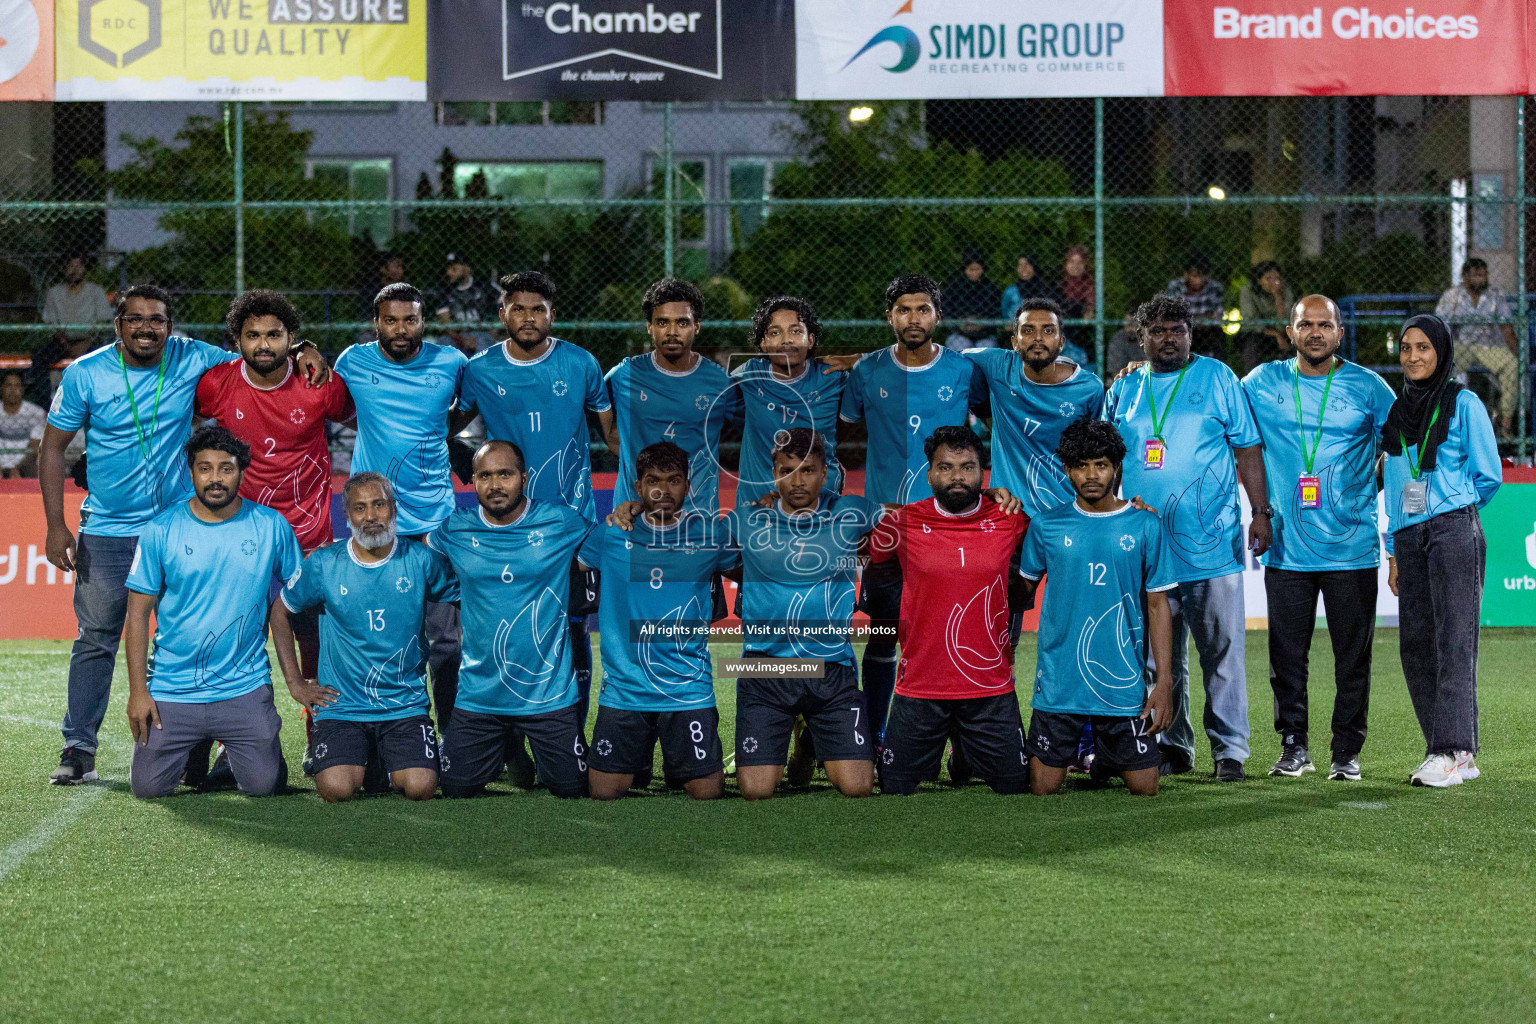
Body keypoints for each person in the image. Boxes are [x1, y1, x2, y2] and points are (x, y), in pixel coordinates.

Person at [39, 284, 328, 785]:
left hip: (180, 525)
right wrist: (55, 524)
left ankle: (216, 743)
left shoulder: (194, 357)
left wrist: (303, 348)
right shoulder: (86, 373)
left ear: (171, 327)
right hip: (107, 528)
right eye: (135, 319)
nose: (146, 327)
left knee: (205, 631)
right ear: (118, 325)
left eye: (157, 320)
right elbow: (51, 449)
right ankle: (78, 744)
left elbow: (258, 350)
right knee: (97, 637)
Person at [1102, 293, 1270, 782]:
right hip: (1146, 547)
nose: (1168, 338)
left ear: (1191, 334)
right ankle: (1172, 744)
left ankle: (1230, 751)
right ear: (1141, 337)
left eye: (1177, 329)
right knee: (1158, 656)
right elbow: (1107, 461)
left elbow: (1248, 448)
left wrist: (1259, 512)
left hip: (1210, 542)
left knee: (1222, 650)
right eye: (1157, 330)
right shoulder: (1126, 387)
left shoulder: (1218, 377)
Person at [1240, 296, 1397, 782]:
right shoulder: (1262, 382)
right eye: (1305, 324)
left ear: (1339, 333)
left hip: (1351, 548)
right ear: (1289, 332)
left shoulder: (1369, 387)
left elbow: (1402, 446)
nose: (1314, 332)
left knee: (1354, 658)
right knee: (1286, 656)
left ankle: (1346, 752)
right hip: (1286, 545)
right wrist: (1141, 368)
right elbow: (1211, 396)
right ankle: (1294, 746)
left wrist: (1371, 487)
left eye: (1324, 324)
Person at [458, 271, 620, 726]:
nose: (528, 318)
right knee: (506, 632)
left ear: (553, 314)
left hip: (573, 530)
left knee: (571, 634)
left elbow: (612, 438)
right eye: (518, 308)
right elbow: (450, 430)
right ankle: (509, 745)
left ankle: (570, 738)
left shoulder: (582, 364)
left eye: (538, 309)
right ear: (502, 313)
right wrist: (470, 471)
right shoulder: (479, 369)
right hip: (508, 528)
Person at [836, 274, 989, 746]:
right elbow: (838, 433)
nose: (913, 318)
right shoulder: (866, 372)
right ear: (890, 317)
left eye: (923, 309)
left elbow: (992, 426)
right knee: (882, 636)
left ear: (937, 316)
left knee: (950, 634)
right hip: (888, 531)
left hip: (949, 529)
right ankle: (875, 737)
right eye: (904, 310)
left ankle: (963, 745)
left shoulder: (964, 371)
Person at [122, 427, 303, 799]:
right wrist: (139, 691)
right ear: (190, 472)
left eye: (226, 468)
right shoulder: (160, 529)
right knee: (147, 789)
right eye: (205, 468)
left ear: (242, 471)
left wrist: (297, 680)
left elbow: (293, 602)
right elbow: (137, 615)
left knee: (264, 785)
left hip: (244, 686)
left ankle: (254, 743)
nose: (215, 479)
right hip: (174, 688)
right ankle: (195, 746)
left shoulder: (271, 526)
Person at [272, 473, 459, 803]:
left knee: (421, 788)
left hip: (404, 705)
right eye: (360, 508)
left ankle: (381, 761)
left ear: (394, 509)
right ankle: (373, 762)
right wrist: (296, 684)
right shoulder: (325, 563)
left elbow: (465, 598)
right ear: (347, 515)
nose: (371, 516)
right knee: (335, 789)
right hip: (342, 707)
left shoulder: (422, 560)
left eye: (379, 505)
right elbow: (280, 611)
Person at [334, 282, 470, 732]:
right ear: (376, 322)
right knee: (379, 637)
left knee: (446, 640)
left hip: (435, 521)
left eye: (409, 319)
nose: (400, 329)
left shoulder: (450, 362)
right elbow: (336, 407)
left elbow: (464, 412)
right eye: (390, 320)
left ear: (422, 321)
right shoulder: (352, 361)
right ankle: (386, 730)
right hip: (376, 523)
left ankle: (451, 738)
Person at [427, 440, 595, 799]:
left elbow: (605, 543)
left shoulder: (560, 521)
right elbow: (419, 557)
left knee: (572, 789)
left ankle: (518, 742)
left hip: (547, 696)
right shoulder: (455, 529)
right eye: (485, 476)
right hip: (479, 696)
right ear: (472, 481)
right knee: (455, 788)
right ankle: (511, 747)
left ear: (524, 476)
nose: (495, 484)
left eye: (505, 474)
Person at [1016, 418, 1175, 797]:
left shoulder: (1145, 525)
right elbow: (1018, 596)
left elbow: (1157, 606)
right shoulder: (1046, 526)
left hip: (1121, 683)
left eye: (1101, 464)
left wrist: (1164, 681)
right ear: (1067, 470)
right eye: (1081, 465)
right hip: (1059, 682)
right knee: (1043, 788)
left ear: (1116, 467)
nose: (1091, 474)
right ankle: (1095, 753)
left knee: (1145, 787)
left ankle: (1105, 755)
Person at [720, 428, 880, 800]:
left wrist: (983, 497)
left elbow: (910, 516)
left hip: (831, 668)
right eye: (787, 470)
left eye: (807, 470)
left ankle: (809, 743)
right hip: (766, 669)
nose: (797, 480)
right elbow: (705, 547)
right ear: (773, 472)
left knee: (858, 787)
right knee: (755, 791)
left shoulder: (851, 511)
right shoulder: (747, 520)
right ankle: (798, 733)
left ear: (825, 474)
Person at [870, 426, 1029, 796]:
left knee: (1016, 785)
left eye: (967, 467)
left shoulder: (1010, 519)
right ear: (929, 473)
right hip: (921, 686)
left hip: (989, 686)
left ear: (983, 473)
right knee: (894, 787)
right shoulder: (902, 522)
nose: (957, 476)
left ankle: (965, 754)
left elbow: (1063, 529)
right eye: (945, 467)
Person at [1383, 314, 1501, 788]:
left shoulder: (1463, 402)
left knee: (1454, 641)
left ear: (1442, 352)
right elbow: (1394, 487)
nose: (1413, 357)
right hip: (1409, 536)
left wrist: (1449, 500)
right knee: (1415, 646)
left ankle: (1452, 749)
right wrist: (1394, 546)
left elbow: (1488, 474)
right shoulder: (1396, 413)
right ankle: (1449, 751)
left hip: (1452, 529)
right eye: (1407, 348)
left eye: (1423, 348)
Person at [577, 442, 733, 801]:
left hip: (687, 688)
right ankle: (640, 761)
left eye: (673, 480)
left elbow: (749, 568)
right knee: (603, 793)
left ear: (688, 486)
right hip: (625, 690)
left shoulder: (711, 535)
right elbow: (573, 568)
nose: (663, 490)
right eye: (653, 481)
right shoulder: (612, 534)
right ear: (638, 488)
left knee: (707, 793)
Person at [605, 278, 739, 516]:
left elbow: (757, 427)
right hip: (633, 516)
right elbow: (592, 410)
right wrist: (624, 447)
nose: (672, 332)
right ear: (649, 327)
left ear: (696, 326)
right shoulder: (625, 374)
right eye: (662, 322)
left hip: (697, 518)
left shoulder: (720, 382)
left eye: (682, 323)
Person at [730, 295, 847, 507]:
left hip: (818, 503)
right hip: (757, 506)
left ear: (810, 340)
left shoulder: (833, 378)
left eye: (796, 331)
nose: (787, 339)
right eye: (775, 333)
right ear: (763, 343)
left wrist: (860, 361)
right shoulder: (748, 376)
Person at [1434, 257, 1519, 437]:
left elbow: (1507, 327)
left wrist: (1517, 352)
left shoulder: (1495, 295)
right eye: (1476, 275)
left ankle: (1505, 422)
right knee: (1439, 366)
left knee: (1511, 365)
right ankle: (1439, 419)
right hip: (1460, 344)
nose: (1481, 279)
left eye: (1484, 275)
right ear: (1465, 277)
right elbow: (1440, 325)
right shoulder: (1453, 296)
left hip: (1487, 346)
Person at [435, 253, 501, 355]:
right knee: (443, 342)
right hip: (457, 335)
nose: (449, 273)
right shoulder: (445, 291)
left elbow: (506, 305)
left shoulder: (483, 286)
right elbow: (445, 323)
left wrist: (493, 332)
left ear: (467, 269)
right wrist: (461, 340)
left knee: (483, 342)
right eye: (447, 269)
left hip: (482, 332)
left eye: (454, 269)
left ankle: (480, 370)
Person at [1164, 252, 1227, 359]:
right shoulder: (1175, 287)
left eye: (1202, 276)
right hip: (1183, 330)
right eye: (1195, 276)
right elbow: (1173, 316)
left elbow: (1216, 317)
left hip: (1207, 330)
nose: (1199, 280)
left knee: (1218, 335)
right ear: (1186, 275)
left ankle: (1215, 369)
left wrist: (1189, 317)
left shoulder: (1215, 288)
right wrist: (1202, 317)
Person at [1237, 260, 1296, 371]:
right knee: (1252, 344)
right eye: (1268, 278)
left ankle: (1292, 377)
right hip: (1258, 332)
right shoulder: (1248, 291)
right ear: (1259, 280)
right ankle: (1252, 379)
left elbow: (1285, 321)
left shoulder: (1286, 291)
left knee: (1295, 343)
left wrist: (1278, 296)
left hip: (1282, 332)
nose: (1274, 282)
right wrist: (1275, 335)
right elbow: (1250, 321)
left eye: (1277, 278)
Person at [942, 251, 1002, 352]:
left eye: (977, 269)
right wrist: (961, 324)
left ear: (982, 269)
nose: (974, 273)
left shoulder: (991, 288)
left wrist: (982, 323)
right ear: (965, 269)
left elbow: (996, 312)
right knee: (960, 348)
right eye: (971, 269)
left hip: (984, 334)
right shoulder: (954, 287)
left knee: (986, 349)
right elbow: (946, 311)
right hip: (960, 333)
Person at [0, 371, 44, 477]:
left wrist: (18, 467)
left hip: (26, 462)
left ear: (23, 389)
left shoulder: (35, 412)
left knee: (39, 462)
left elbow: (35, 445)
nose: (13, 390)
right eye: (8, 385)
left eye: (17, 386)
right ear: (2, 388)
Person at [1058, 245, 1097, 355]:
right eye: (1072, 261)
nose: (1075, 266)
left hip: (1082, 335)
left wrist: (1089, 312)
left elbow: (1091, 306)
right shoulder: (1058, 284)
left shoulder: (1090, 284)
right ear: (1066, 263)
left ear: (1085, 265)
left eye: (1080, 262)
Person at [999, 254, 1058, 322]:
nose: (1023, 268)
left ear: (1034, 266)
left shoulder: (1046, 290)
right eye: (1020, 265)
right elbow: (1004, 312)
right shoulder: (1011, 291)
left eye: (1027, 264)